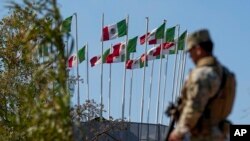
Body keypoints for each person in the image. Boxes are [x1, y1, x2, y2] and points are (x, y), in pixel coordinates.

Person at [168, 29, 236, 141]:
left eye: (191, 51)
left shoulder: (202, 75)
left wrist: (178, 133)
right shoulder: (226, 74)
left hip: (203, 136)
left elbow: (194, 107)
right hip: (220, 135)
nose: (190, 56)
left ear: (198, 49)